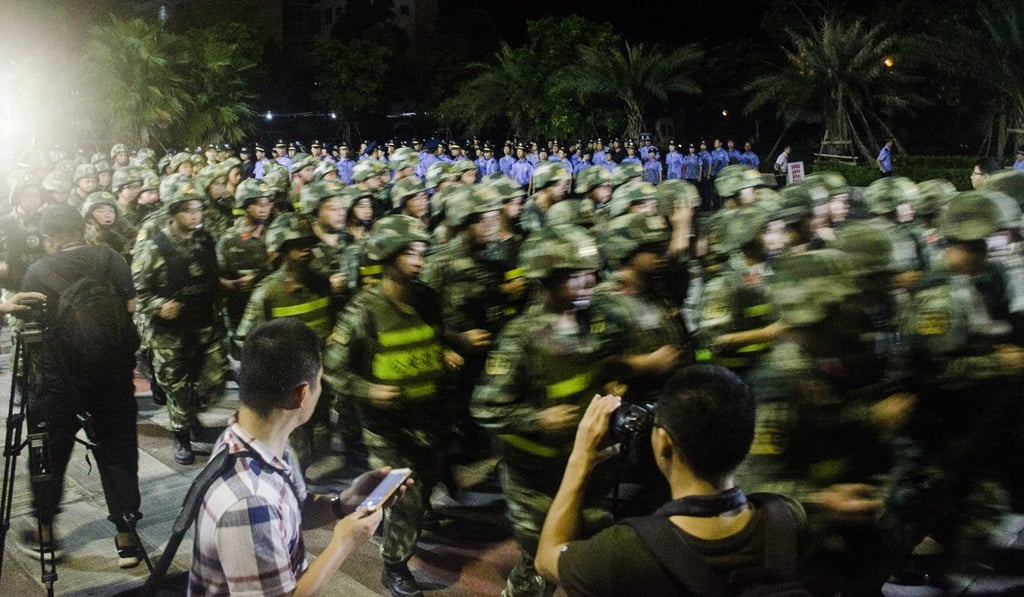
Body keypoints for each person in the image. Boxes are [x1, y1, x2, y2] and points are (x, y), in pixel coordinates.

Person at [534, 366, 805, 596]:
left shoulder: (625, 551)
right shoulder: (787, 518)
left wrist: (581, 458)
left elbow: (546, 560)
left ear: (664, 442)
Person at [189, 318, 409, 596]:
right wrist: (344, 542)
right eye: (320, 382)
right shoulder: (249, 501)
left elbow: (286, 515)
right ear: (301, 394)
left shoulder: (255, 441)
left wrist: (344, 502)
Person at [18, 204, 143, 568]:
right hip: (113, 378)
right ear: (82, 228)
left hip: (59, 382)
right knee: (119, 453)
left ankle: (45, 534)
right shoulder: (112, 259)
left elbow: (28, 328)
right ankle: (126, 538)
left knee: (49, 455)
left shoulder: (38, 271)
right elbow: (130, 308)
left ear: (48, 238)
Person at [132, 176, 227, 465]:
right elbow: (136, 293)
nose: (195, 215)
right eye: (188, 210)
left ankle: (190, 413)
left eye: (198, 209)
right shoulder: (155, 248)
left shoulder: (205, 240)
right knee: (178, 387)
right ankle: (182, 436)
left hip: (204, 324)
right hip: (169, 332)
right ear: (174, 213)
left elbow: (213, 275)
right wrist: (159, 307)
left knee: (213, 380)